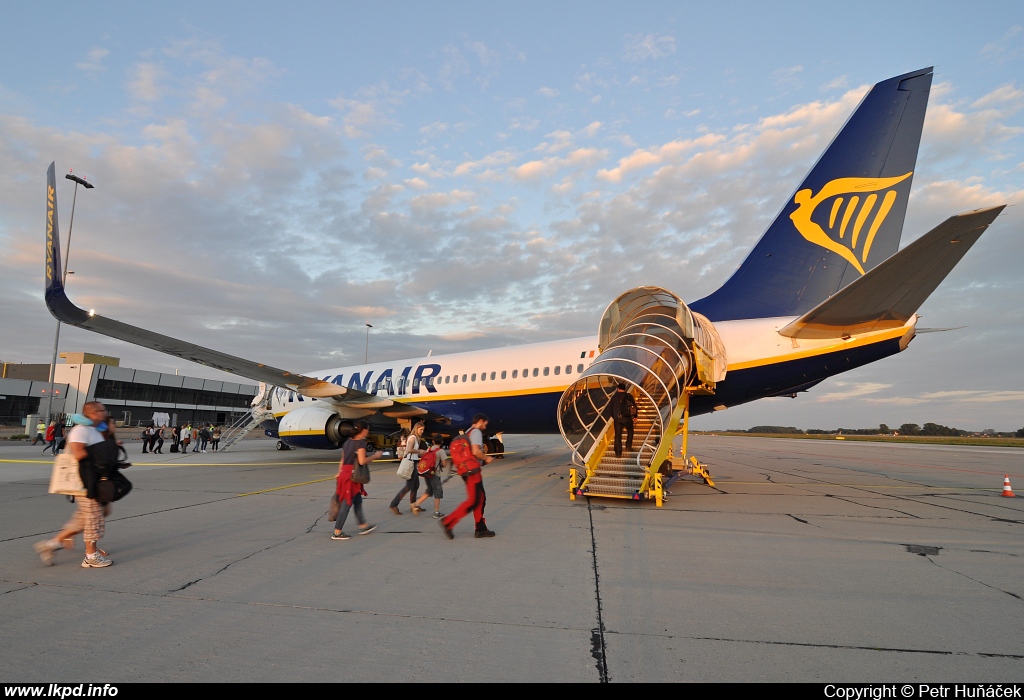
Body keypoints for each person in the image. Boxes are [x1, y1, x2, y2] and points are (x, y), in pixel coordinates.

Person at [34, 402, 123, 568]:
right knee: (92, 518)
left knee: (86, 519)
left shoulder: (93, 430)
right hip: (83, 482)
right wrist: (107, 449)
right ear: (94, 413)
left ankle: (50, 545)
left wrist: (111, 447)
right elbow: (79, 453)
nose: (105, 413)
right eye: (102, 410)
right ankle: (91, 556)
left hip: (92, 480)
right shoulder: (81, 430)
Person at [440, 413, 495, 539]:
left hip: (466, 470)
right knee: (473, 500)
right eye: (485, 424)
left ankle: (481, 528)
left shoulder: (468, 432)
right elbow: (476, 451)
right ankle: (448, 522)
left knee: (480, 498)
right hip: (473, 472)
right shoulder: (476, 432)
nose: (485, 427)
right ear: (480, 421)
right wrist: (486, 458)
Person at [331, 420, 378, 540]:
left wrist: (339, 472)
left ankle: (363, 525)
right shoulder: (360, 443)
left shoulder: (347, 442)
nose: (368, 431)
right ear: (363, 430)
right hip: (352, 476)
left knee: (357, 500)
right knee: (347, 503)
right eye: (367, 429)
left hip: (345, 474)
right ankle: (337, 531)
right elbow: (362, 461)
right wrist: (374, 456)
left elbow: (342, 459)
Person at [389, 422, 426, 515]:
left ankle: (413, 505)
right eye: (421, 429)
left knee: (415, 485)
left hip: (413, 462)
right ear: (416, 428)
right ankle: (394, 504)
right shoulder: (412, 438)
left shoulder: (415, 438)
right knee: (409, 486)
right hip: (410, 462)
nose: (422, 431)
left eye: (423, 430)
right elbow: (409, 449)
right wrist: (419, 451)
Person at [413, 435, 447, 519]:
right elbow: (445, 464)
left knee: (429, 490)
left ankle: (416, 504)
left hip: (427, 473)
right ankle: (436, 512)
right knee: (437, 493)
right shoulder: (441, 451)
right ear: (442, 442)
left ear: (433, 441)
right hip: (435, 474)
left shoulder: (429, 449)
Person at [610, 383, 637, 459]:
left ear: (618, 388)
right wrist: (635, 416)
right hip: (627, 418)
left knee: (618, 435)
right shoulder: (629, 396)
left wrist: (615, 417)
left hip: (617, 419)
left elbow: (610, 410)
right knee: (630, 431)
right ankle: (628, 446)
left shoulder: (614, 397)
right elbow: (634, 406)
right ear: (625, 389)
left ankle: (618, 453)